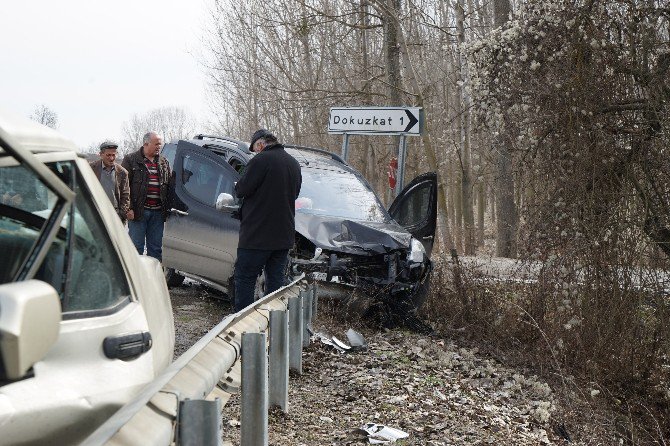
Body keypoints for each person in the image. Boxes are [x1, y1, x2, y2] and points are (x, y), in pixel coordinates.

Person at [233, 129, 302, 311]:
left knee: (245, 279)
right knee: (275, 285)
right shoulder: (294, 164)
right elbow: (295, 194)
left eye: (255, 149)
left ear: (261, 144)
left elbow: (241, 190)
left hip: (257, 235)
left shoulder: (260, 160)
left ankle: (243, 326)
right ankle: (271, 323)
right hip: (283, 237)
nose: (255, 152)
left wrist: (238, 185)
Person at [121, 132, 171, 262]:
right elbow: (123, 187)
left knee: (155, 250)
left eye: (160, 144)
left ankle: (153, 280)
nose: (159, 147)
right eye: (156, 144)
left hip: (158, 213)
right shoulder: (130, 159)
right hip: (138, 212)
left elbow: (170, 187)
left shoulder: (164, 162)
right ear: (146, 144)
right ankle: (135, 280)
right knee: (136, 248)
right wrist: (129, 208)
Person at [89, 141, 130, 223]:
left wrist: (121, 215)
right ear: (101, 154)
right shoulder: (91, 168)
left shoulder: (122, 172)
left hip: (114, 215)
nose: (111, 158)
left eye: (113, 155)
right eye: (108, 155)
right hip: (95, 213)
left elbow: (125, 195)